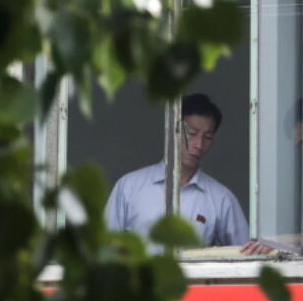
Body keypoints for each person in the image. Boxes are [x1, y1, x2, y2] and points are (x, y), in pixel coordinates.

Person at [105, 92, 271, 253]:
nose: (199, 144)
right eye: (191, 134)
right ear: (172, 131)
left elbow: (247, 254)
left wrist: (267, 246)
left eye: (207, 137)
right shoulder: (129, 187)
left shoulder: (221, 198)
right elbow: (105, 247)